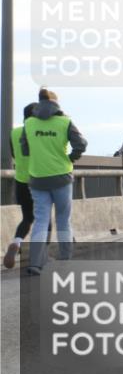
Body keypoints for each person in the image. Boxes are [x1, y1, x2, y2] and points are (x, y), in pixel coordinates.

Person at [20, 88, 87, 275]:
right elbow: (81, 144)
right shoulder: (65, 122)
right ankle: (65, 260)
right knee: (63, 220)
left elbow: (24, 149)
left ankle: (36, 263)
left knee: (41, 220)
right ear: (56, 103)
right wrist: (71, 157)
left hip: (37, 178)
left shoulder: (30, 123)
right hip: (61, 177)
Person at [4, 103, 38, 269]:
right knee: (44, 219)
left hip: (21, 181)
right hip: (39, 180)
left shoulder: (15, 132)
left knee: (27, 218)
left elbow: (13, 154)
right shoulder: (38, 133)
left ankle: (17, 243)